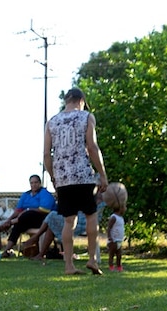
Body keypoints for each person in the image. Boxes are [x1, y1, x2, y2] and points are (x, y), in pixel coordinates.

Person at [44, 87, 109, 275]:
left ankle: (68, 266)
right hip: (83, 175)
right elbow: (92, 146)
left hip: (63, 178)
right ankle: (92, 260)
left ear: (66, 100)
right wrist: (102, 174)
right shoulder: (86, 117)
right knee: (91, 216)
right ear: (81, 100)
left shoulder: (52, 122)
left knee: (68, 221)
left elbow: (47, 154)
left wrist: (53, 176)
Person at [0, 175, 56, 257]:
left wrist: (27, 210)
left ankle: (7, 225)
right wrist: (8, 219)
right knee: (18, 226)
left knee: (29, 213)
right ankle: (6, 250)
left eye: (36, 182)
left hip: (43, 220)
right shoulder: (26, 194)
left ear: (40, 183)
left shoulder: (45, 193)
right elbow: (18, 210)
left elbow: (44, 210)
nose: (34, 185)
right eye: (31, 183)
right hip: (25, 220)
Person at [106, 200, 126, 272]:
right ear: (120, 208)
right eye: (124, 207)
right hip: (113, 239)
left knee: (119, 255)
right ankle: (111, 266)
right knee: (112, 254)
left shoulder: (121, 218)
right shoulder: (114, 217)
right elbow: (109, 227)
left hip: (119, 240)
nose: (125, 209)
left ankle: (119, 266)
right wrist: (110, 237)